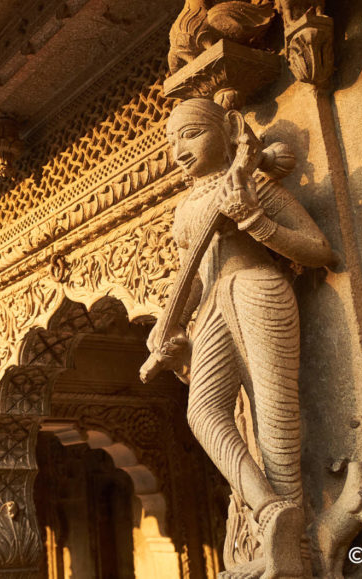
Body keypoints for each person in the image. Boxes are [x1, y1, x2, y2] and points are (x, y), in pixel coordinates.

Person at [140, 97, 332, 578]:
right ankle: (271, 512)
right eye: (171, 142)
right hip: (212, 306)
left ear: (228, 129)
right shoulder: (186, 207)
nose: (178, 150)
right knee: (202, 413)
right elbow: (193, 278)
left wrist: (254, 220)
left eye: (189, 134)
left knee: (273, 411)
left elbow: (318, 249)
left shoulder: (252, 182)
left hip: (256, 288)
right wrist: (167, 331)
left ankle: (297, 554)